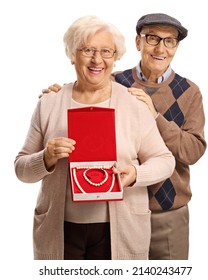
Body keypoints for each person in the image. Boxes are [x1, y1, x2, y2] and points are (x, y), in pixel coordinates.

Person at [43, 13, 207, 260]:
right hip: (119, 211)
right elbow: (87, 85)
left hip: (167, 210)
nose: (160, 47)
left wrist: (155, 116)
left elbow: (193, 151)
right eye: (152, 38)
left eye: (169, 41)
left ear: (176, 47)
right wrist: (59, 93)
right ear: (138, 43)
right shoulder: (116, 81)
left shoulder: (189, 91)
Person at [14, 15, 175, 260]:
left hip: (120, 228)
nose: (97, 59)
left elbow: (164, 160)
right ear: (72, 55)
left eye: (106, 51)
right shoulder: (49, 103)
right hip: (61, 229)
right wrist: (45, 157)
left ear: (116, 56)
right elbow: (21, 169)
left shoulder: (133, 103)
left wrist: (135, 174)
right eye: (87, 50)